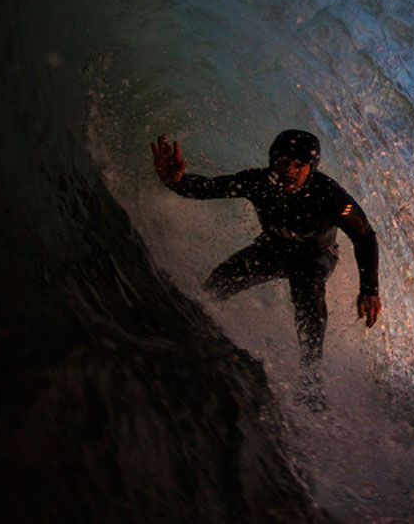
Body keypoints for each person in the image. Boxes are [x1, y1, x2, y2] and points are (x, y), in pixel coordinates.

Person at [150, 129, 381, 402]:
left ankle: (311, 378)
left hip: (316, 254)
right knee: (221, 279)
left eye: (299, 166)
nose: (290, 171)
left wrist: (369, 289)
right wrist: (174, 180)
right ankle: (194, 325)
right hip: (273, 248)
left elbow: (364, 237)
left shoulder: (332, 197)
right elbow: (206, 188)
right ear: (272, 161)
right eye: (283, 162)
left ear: (312, 168)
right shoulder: (257, 182)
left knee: (307, 285)